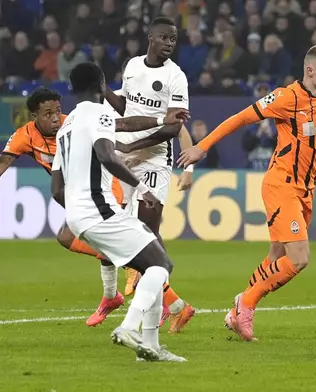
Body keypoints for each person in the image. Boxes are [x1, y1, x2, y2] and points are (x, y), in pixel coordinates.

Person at [177, 45, 316, 341]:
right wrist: (201, 147)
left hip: (306, 190)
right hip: (281, 185)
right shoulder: (287, 97)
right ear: (310, 70)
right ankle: (246, 304)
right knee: (299, 258)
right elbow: (241, 118)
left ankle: (239, 307)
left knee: (277, 255)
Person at [0, 87, 186, 328]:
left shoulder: (75, 122)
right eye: (48, 114)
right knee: (82, 240)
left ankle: (162, 300)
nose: (56, 117)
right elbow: (4, 162)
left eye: (58, 110)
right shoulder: (24, 137)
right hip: (80, 196)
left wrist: (160, 121)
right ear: (34, 116)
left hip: (106, 191)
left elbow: (122, 125)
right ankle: (120, 295)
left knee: (73, 236)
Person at [51, 62, 185, 362]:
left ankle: (149, 348)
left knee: (151, 265)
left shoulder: (67, 126)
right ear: (101, 86)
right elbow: (107, 155)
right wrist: (141, 188)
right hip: (100, 211)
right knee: (161, 264)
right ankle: (129, 326)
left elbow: (57, 189)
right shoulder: (99, 113)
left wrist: (162, 117)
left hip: (79, 217)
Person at [103, 17, 196, 333]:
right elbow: (126, 107)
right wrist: (103, 90)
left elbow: (172, 127)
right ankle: (176, 306)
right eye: (164, 37)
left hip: (154, 162)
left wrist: (134, 147)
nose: (170, 43)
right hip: (124, 158)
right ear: (150, 37)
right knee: (131, 230)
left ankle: (157, 305)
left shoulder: (176, 77)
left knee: (146, 228)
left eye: (174, 39)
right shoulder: (132, 66)